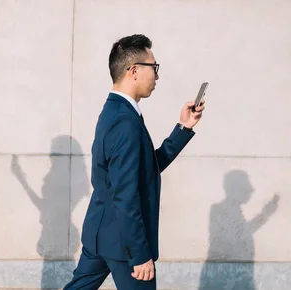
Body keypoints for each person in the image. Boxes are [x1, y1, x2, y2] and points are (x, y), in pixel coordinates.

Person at [63, 34, 205, 290]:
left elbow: (144, 170)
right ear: (135, 71)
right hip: (123, 243)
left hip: (101, 233)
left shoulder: (114, 112)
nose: (157, 76)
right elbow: (125, 194)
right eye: (155, 68)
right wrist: (139, 255)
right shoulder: (125, 122)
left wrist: (183, 128)